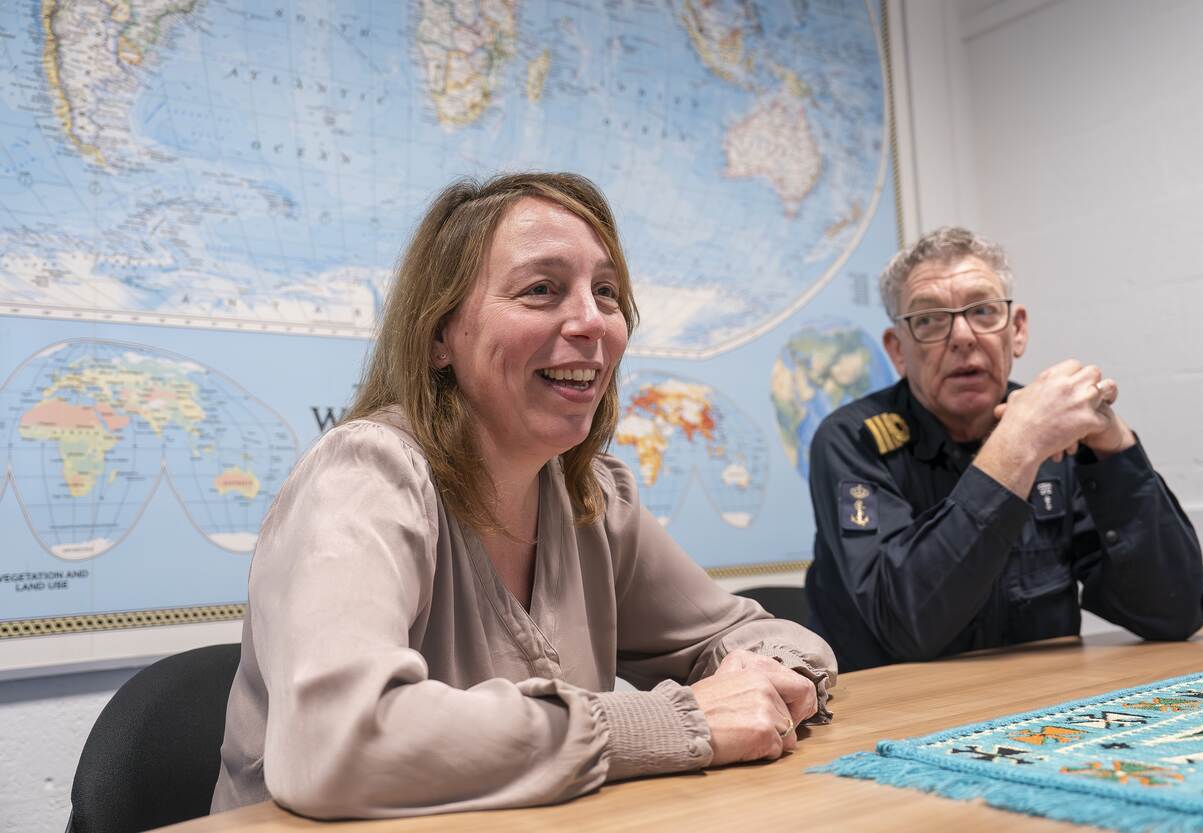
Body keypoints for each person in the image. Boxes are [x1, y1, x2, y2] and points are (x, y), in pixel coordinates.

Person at [211, 173, 835, 819]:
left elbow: (755, 635)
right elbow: (339, 744)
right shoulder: (365, 472)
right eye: (542, 289)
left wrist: (767, 676)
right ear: (438, 336)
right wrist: (672, 722)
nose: (593, 321)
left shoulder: (590, 493)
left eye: (607, 292)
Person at [804, 226, 1203, 673]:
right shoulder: (852, 440)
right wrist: (1018, 445)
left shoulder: (1059, 427)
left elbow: (1176, 613)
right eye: (929, 320)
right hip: (896, 718)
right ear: (898, 350)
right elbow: (907, 627)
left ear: (1016, 331)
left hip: (1041, 711)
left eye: (982, 311)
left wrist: (1114, 446)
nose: (962, 336)